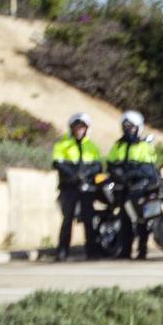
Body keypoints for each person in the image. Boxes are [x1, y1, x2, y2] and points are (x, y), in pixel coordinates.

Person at [106, 109, 160, 259]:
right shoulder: (117, 145)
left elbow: (148, 169)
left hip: (139, 189)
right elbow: (110, 163)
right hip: (123, 189)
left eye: (132, 127)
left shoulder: (145, 146)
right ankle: (125, 251)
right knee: (124, 221)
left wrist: (130, 174)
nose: (128, 130)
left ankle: (142, 251)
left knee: (141, 221)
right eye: (126, 127)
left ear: (138, 128)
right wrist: (117, 174)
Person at [49, 112, 100, 262]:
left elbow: (97, 166)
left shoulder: (91, 146)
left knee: (89, 220)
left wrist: (86, 174)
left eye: (82, 128)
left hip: (86, 188)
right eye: (76, 128)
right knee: (67, 220)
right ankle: (63, 251)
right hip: (69, 187)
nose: (79, 130)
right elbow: (58, 163)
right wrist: (74, 175)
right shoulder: (62, 144)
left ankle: (92, 251)